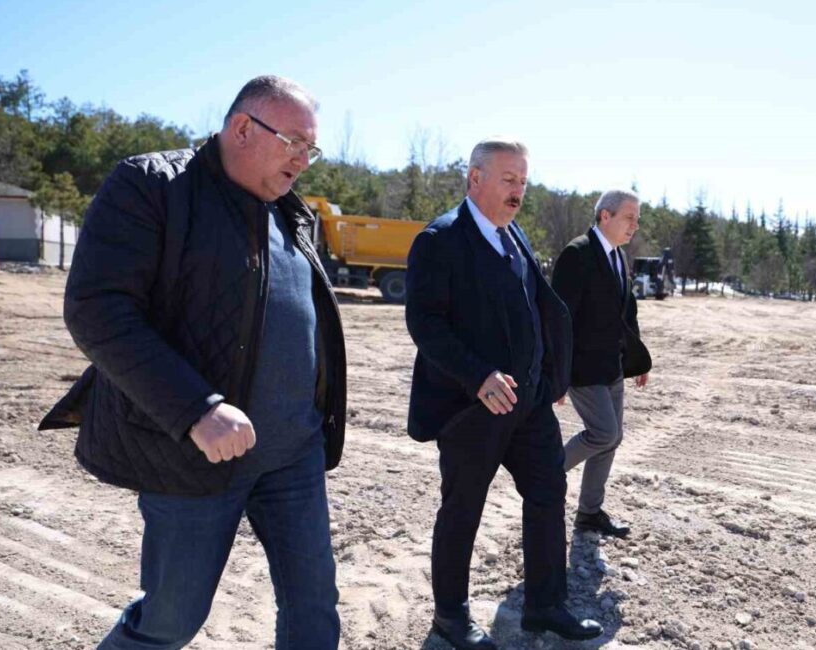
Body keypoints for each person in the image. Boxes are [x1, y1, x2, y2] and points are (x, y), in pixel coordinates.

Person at [38, 75, 348, 650]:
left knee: (314, 609)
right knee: (169, 621)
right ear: (243, 128)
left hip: (292, 455)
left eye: (313, 149)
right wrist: (197, 409)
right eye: (296, 143)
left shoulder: (290, 214)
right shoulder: (152, 186)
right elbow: (97, 310)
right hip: (191, 453)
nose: (305, 161)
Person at [405, 137, 603, 649]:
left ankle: (544, 605)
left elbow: (537, 309)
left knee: (547, 494)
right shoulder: (441, 239)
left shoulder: (513, 236)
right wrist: (478, 376)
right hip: (475, 407)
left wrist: (551, 375)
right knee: (463, 507)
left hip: (530, 405)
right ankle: (449, 617)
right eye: (509, 179)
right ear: (476, 178)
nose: (519, 191)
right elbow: (425, 323)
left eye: (523, 181)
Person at [551, 189, 652, 539]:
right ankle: (547, 472)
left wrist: (637, 358)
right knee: (603, 433)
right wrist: (557, 374)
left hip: (612, 366)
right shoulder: (577, 254)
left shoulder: (619, 257)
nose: (634, 226)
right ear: (605, 216)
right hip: (582, 369)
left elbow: (628, 311)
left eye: (637, 220)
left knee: (613, 438)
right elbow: (559, 318)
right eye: (629, 217)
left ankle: (589, 514)